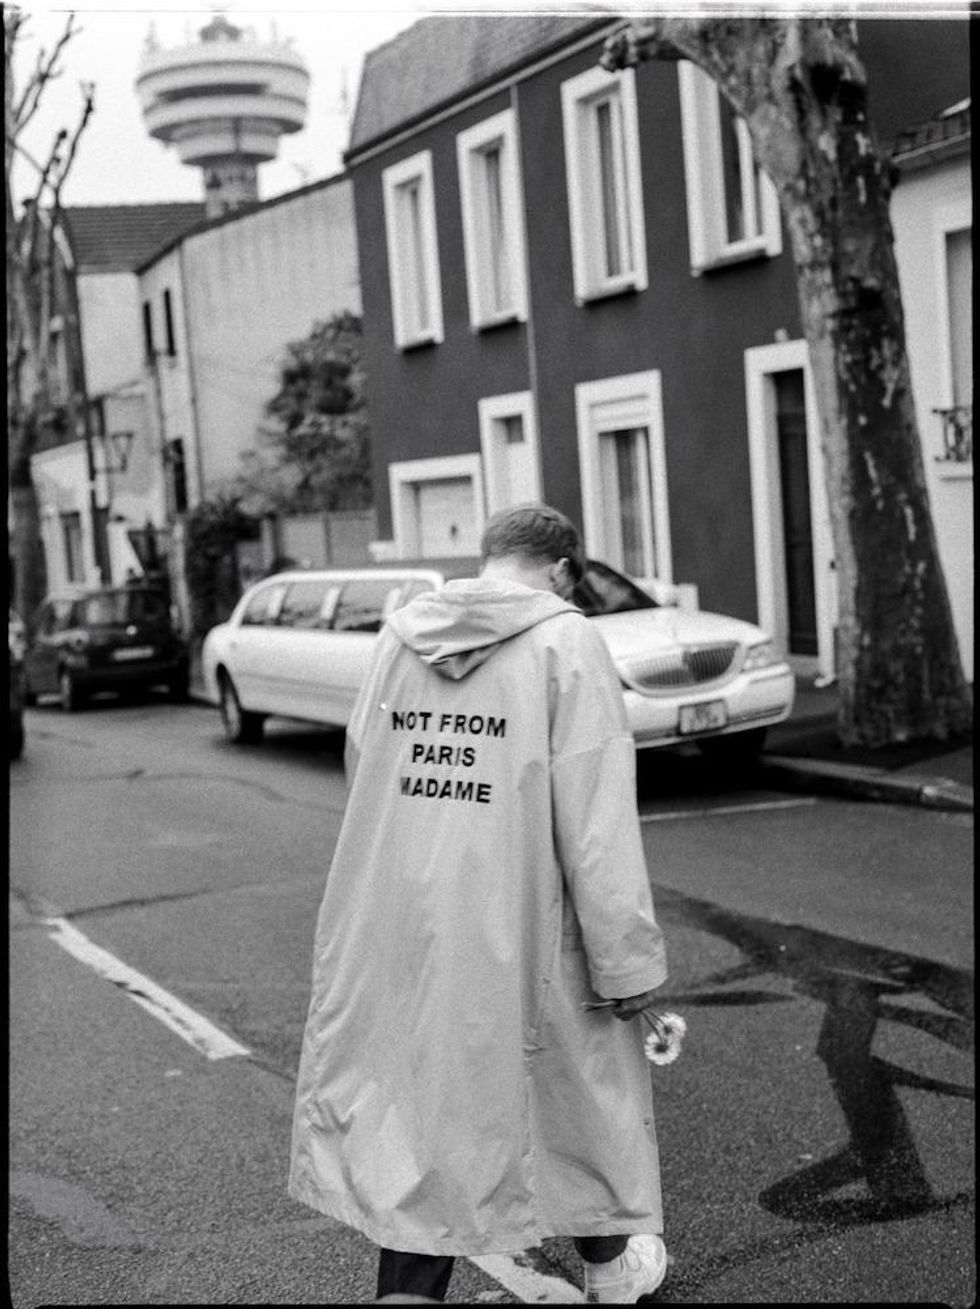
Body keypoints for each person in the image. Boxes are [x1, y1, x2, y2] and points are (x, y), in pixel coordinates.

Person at [289, 504, 669, 1303]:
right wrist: (626, 960)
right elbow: (596, 817)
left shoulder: (400, 635)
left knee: (428, 1104)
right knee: (572, 1086)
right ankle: (607, 1269)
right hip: (526, 908)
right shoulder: (567, 640)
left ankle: (412, 1291)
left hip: (410, 908)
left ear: (489, 558)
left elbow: (366, 759)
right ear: (562, 570)